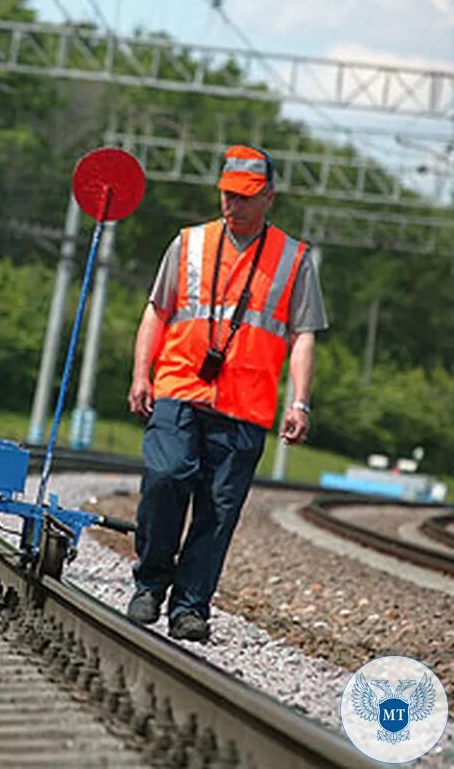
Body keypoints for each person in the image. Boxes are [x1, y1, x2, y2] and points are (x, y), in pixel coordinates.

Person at [125, 144, 328, 642]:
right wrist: (140, 374)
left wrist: (298, 400)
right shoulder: (189, 244)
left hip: (246, 406)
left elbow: (303, 334)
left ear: (269, 198)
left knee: (218, 511)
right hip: (179, 386)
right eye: (226, 195)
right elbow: (158, 310)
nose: (231, 206)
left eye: (243, 197)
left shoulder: (294, 259)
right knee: (165, 476)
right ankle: (151, 582)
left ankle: (190, 608)